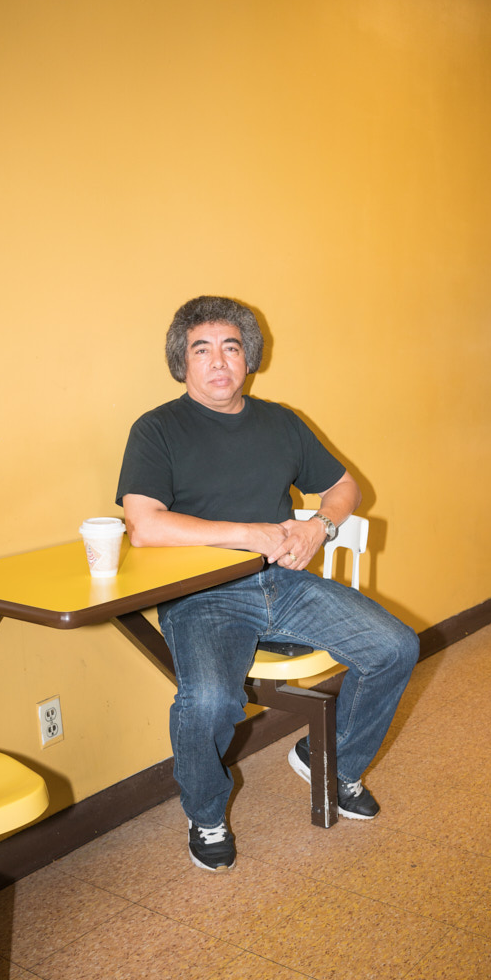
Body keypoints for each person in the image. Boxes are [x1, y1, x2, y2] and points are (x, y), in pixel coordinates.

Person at [116, 296, 419, 872]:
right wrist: (249, 533)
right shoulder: (157, 429)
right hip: (203, 597)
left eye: (231, 347)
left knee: (394, 648)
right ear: (181, 362)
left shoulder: (280, 421)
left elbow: (345, 488)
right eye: (201, 349)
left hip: (284, 580)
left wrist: (319, 526)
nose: (218, 361)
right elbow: (145, 524)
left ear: (248, 358)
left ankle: (333, 763)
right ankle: (205, 814)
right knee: (210, 702)